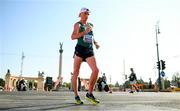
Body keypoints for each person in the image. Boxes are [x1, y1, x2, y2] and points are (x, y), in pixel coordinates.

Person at [71, 7, 100, 105]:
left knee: (96, 70)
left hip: (89, 50)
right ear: (80, 14)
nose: (87, 15)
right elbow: (73, 37)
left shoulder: (91, 25)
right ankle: (76, 96)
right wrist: (84, 32)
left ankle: (89, 93)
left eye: (88, 13)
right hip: (80, 49)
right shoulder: (77, 24)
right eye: (85, 13)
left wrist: (95, 43)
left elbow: (91, 35)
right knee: (76, 73)